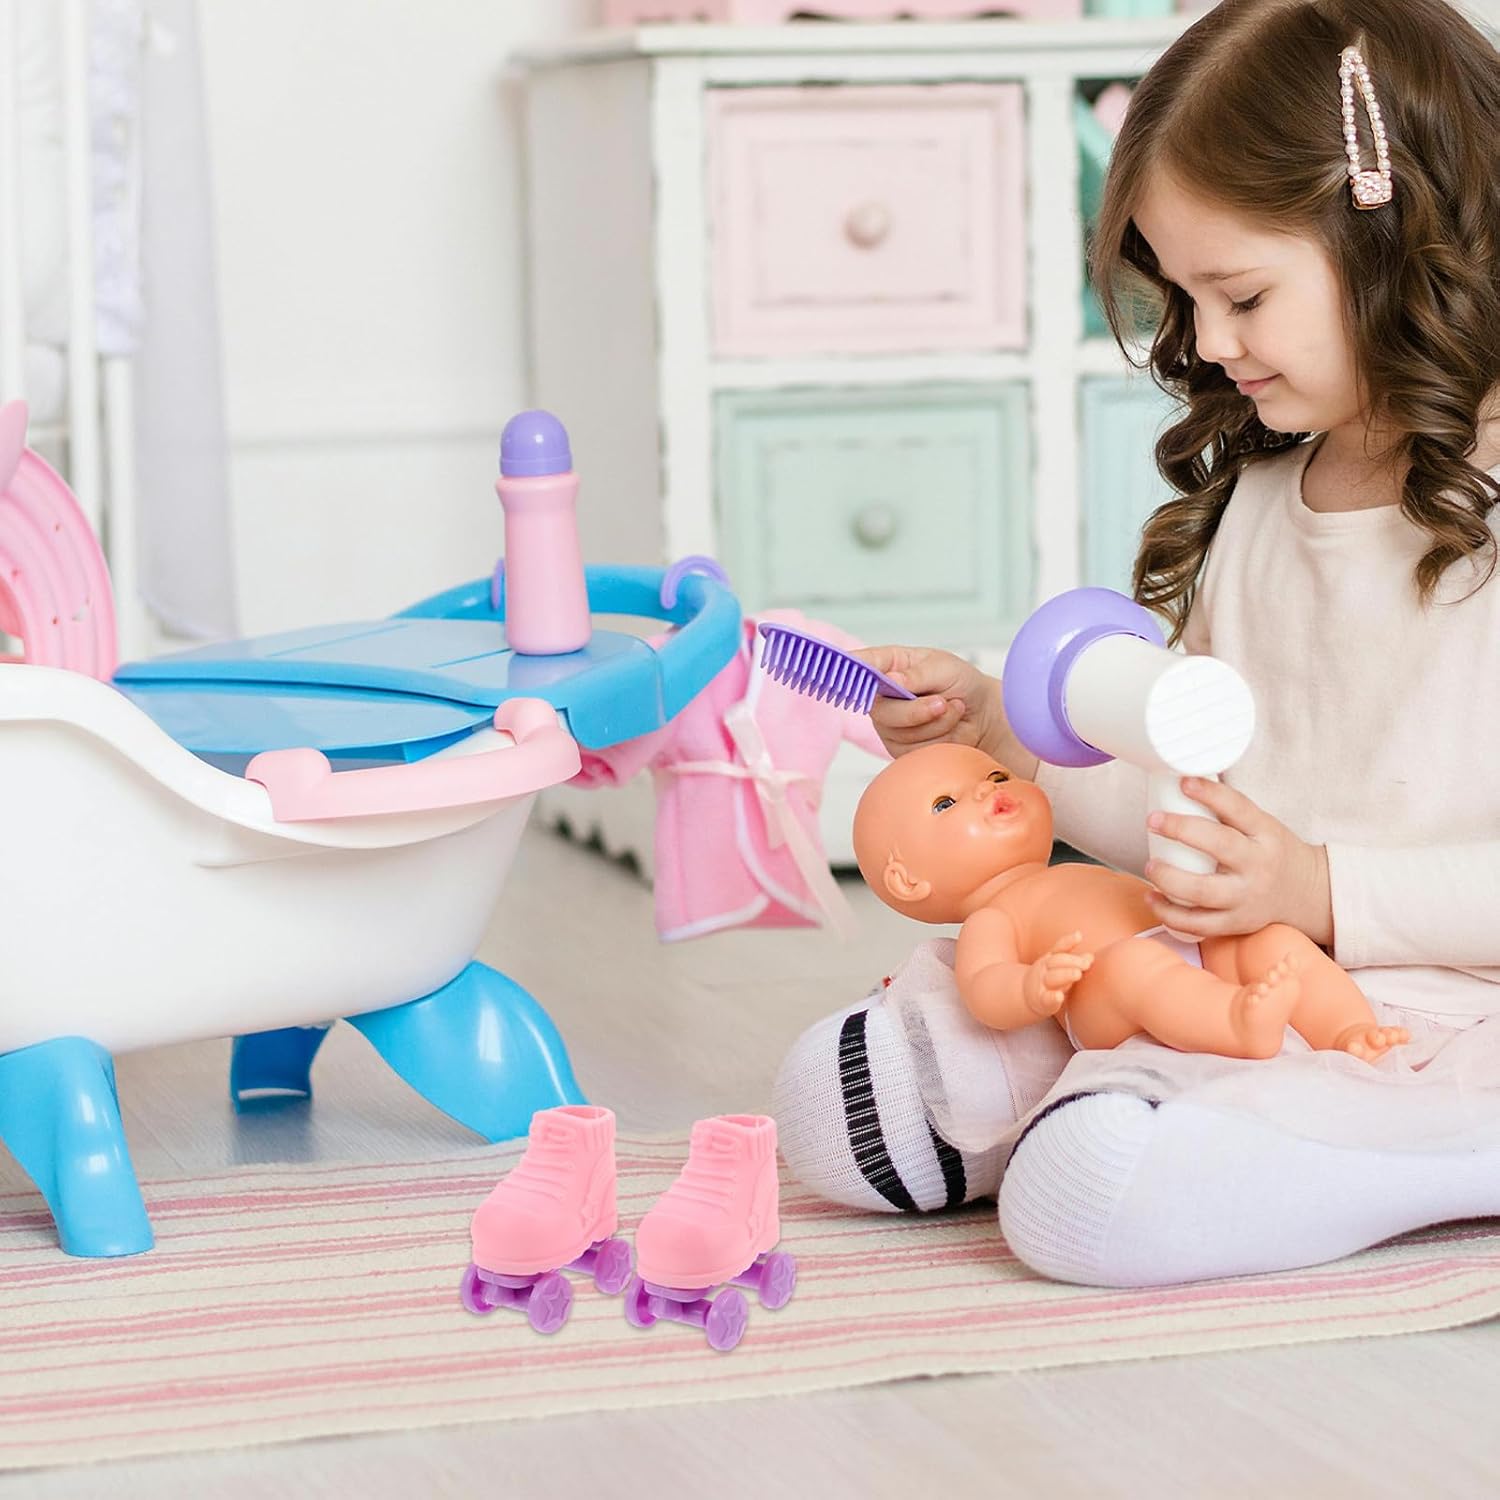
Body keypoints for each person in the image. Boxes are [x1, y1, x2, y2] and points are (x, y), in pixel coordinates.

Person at [772, 0, 1500, 1285]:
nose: (1209, 343)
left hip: (1447, 996)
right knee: (861, 1100)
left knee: (1115, 1182)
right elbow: (1193, 820)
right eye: (1185, 296)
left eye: (1244, 294)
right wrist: (1004, 739)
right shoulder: (1266, 500)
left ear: (1396, 233)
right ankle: (1164, 1113)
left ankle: (1431, 1149)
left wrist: (1324, 895)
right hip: (1244, 969)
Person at [852, 742, 1407, 1060]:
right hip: (1103, 1000)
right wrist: (1030, 986)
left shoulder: (1071, 869)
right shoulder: (992, 917)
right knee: (1132, 964)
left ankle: (1346, 1031)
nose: (987, 788)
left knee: (1267, 938)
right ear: (908, 880)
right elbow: (984, 989)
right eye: (946, 804)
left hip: (1182, 946)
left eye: (997, 775)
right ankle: (1235, 1024)